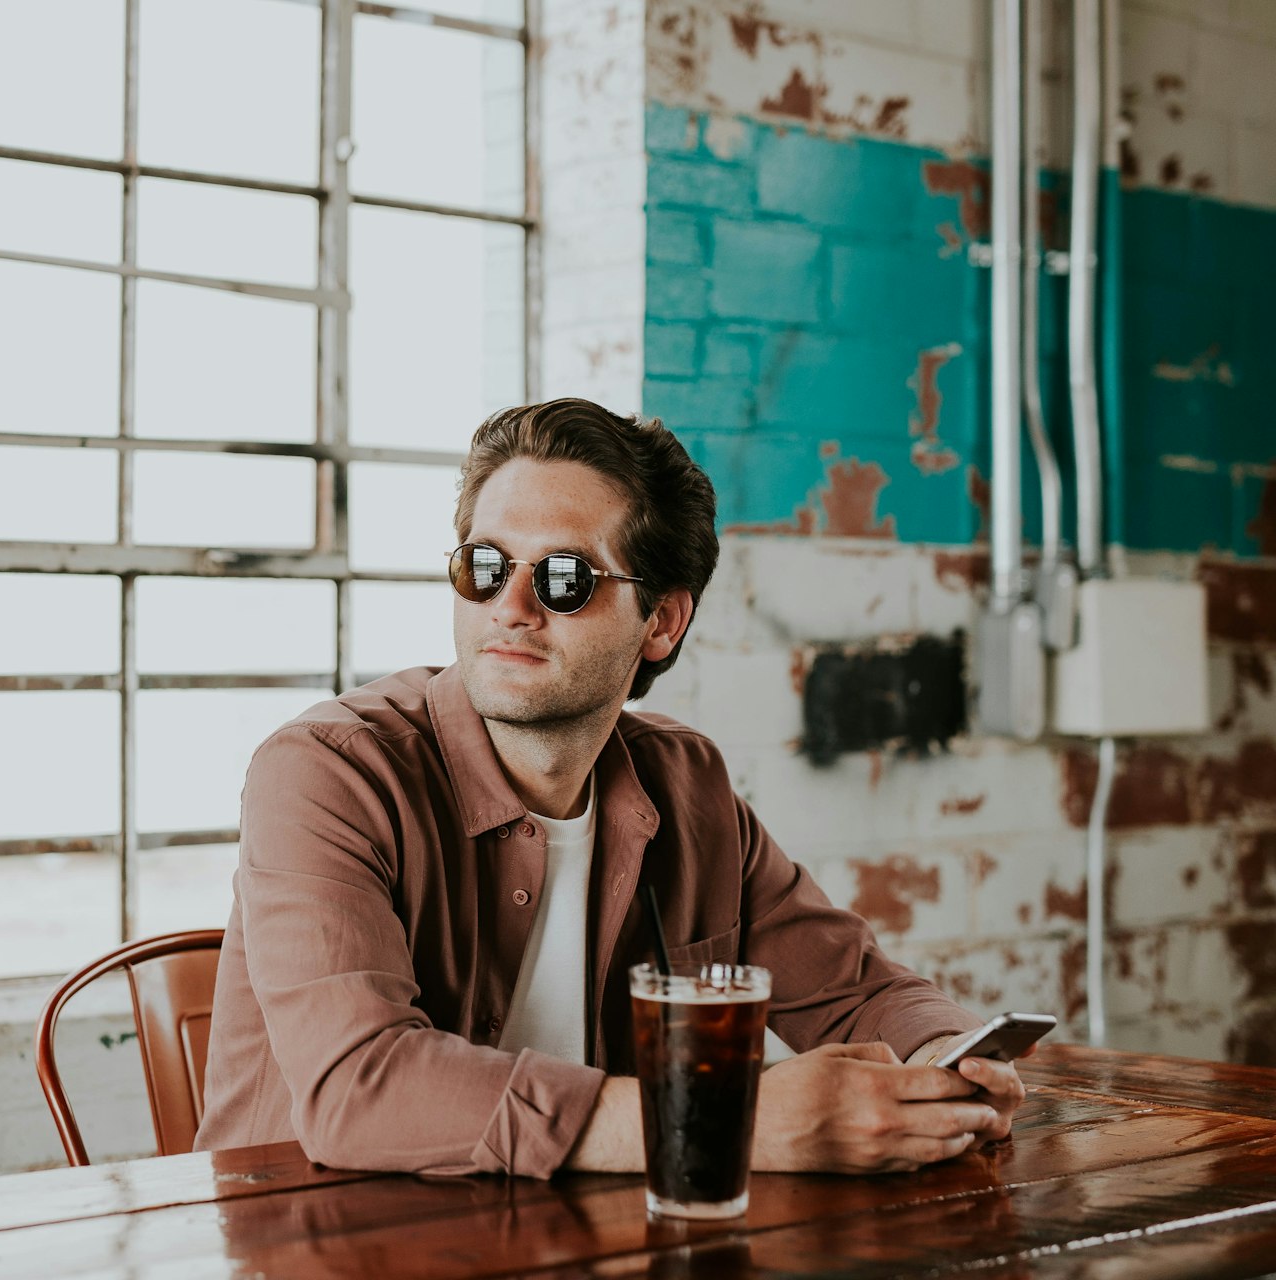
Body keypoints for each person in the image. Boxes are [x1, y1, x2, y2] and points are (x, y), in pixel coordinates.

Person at [193, 397, 1025, 1178]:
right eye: (486, 566)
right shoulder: (327, 772)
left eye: (565, 578)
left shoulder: (687, 787)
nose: (511, 607)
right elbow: (361, 1090)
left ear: (661, 621)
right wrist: (720, 1123)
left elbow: (857, 992)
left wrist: (948, 1065)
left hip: (575, 1242)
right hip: (314, 1241)